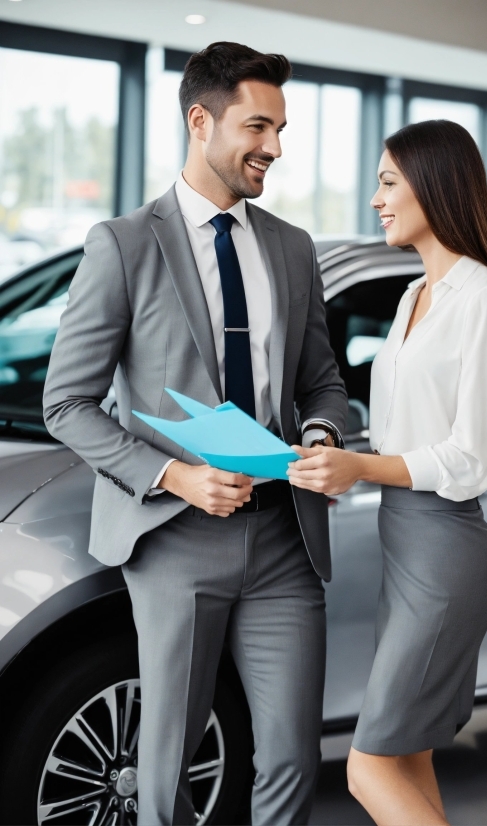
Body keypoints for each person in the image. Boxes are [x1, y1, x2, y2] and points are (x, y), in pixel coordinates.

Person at [43, 42, 347, 826]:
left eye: (280, 130)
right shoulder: (123, 245)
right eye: (258, 126)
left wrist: (318, 434)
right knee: (166, 766)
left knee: (289, 759)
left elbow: (322, 381)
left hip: (284, 540)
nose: (274, 148)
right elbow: (67, 403)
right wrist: (175, 477)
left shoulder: (291, 247)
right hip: (176, 540)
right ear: (200, 120)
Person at [288, 119, 487, 826]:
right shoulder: (410, 296)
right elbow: (401, 428)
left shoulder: (483, 297)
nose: (375, 200)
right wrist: (330, 455)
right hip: (405, 545)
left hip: (447, 549)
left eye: (388, 182)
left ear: (436, 183)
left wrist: (359, 465)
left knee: (368, 766)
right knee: (409, 755)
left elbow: (465, 457)